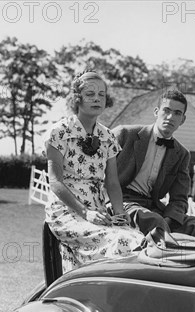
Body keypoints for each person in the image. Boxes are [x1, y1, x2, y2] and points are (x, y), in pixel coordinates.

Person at [45, 70, 145, 271]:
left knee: (137, 238)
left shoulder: (107, 136)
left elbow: (113, 183)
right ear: (77, 98)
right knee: (120, 241)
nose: (97, 99)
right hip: (67, 210)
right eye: (90, 94)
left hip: (98, 208)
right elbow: (55, 181)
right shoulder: (59, 132)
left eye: (101, 94)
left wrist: (119, 212)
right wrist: (85, 213)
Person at [113, 90, 195, 239]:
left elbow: (179, 198)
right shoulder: (124, 134)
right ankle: (168, 258)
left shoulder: (181, 154)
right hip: (121, 202)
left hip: (154, 208)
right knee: (155, 222)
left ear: (182, 119)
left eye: (177, 113)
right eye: (166, 111)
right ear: (156, 112)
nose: (170, 117)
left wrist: (169, 219)